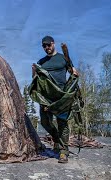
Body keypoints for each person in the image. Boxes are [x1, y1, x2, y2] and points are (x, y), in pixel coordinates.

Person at [32, 35, 79, 163]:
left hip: (61, 97)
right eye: (44, 46)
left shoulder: (63, 58)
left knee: (62, 122)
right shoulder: (41, 62)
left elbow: (72, 71)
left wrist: (75, 73)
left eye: (48, 45)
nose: (47, 47)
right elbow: (36, 79)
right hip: (46, 98)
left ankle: (63, 151)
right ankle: (56, 140)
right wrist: (34, 73)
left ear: (53, 44)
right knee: (45, 122)